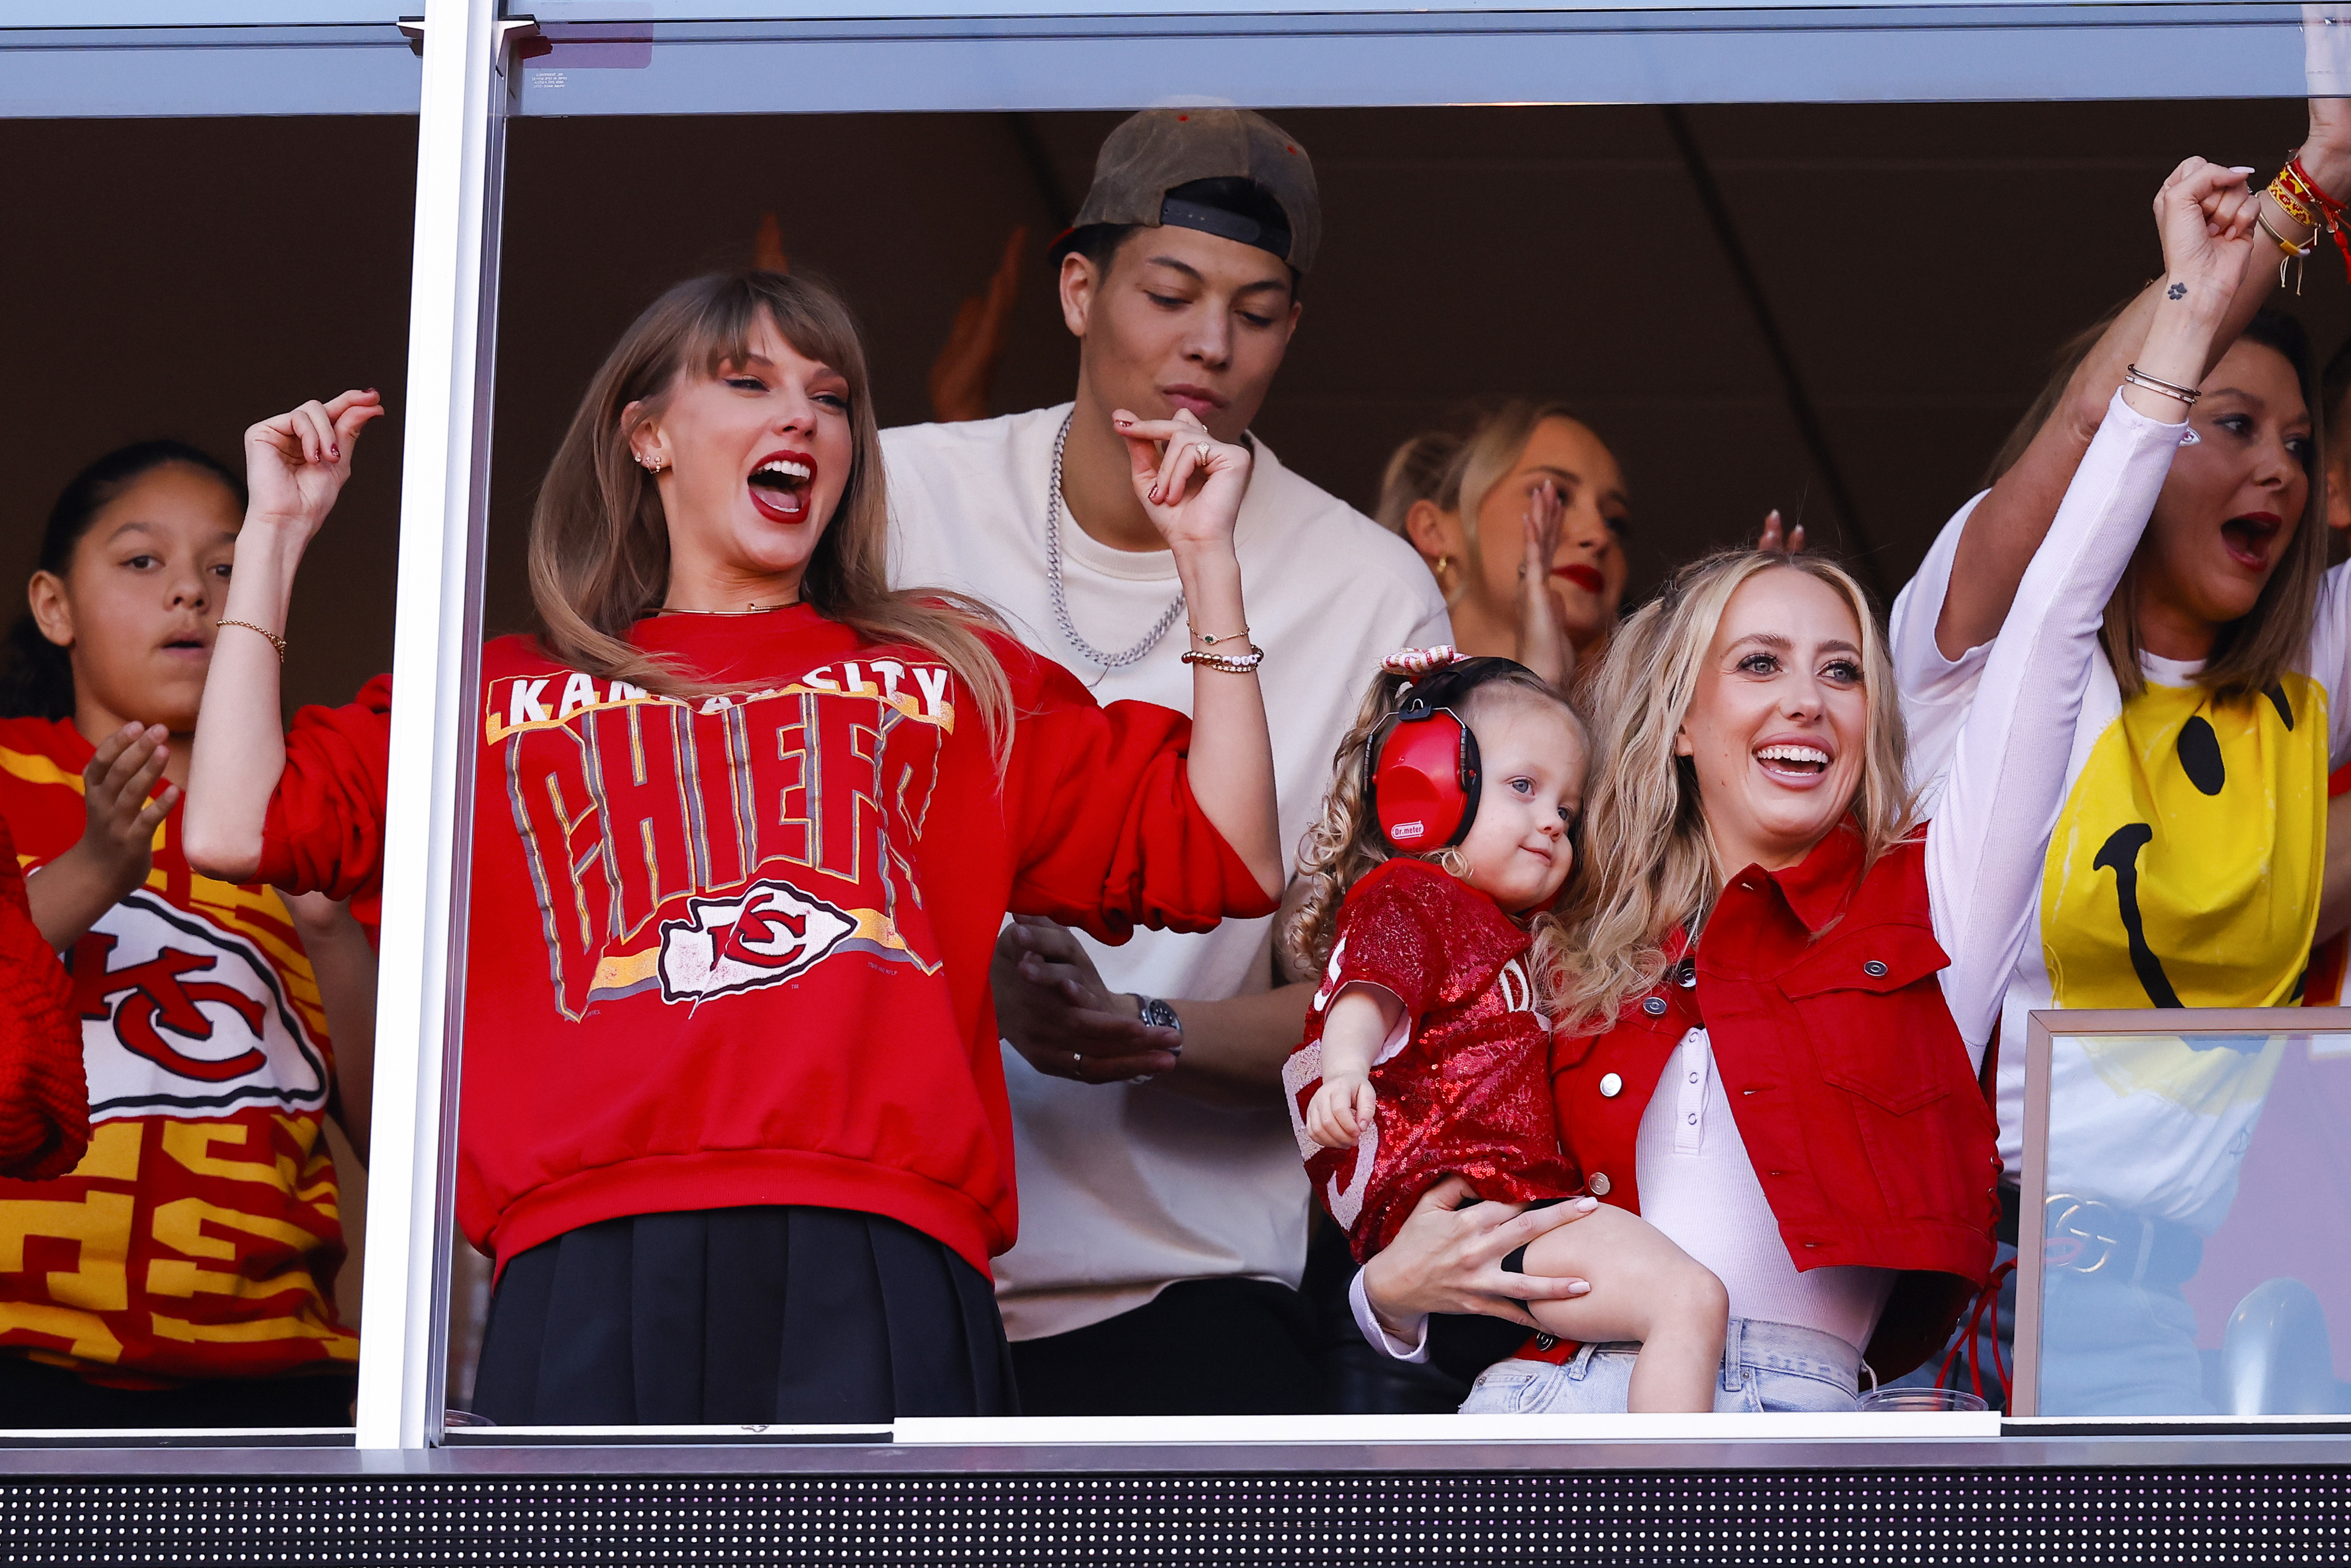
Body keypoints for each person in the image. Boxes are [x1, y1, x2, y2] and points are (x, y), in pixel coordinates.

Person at [180, 269, 1285, 1426]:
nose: (800, 415)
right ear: (646, 435)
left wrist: (1205, 559)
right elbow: (233, 822)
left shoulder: (947, 676)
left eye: (829, 394)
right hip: (586, 1250)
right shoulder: (498, 691)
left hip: (886, 1243)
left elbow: (1224, 851)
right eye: (748, 382)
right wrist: (276, 533)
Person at [1349, 155, 2260, 1413]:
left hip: (1799, 1433)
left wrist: (2185, 315)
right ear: (1678, 721)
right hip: (1547, 1412)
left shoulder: (1927, 908)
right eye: (1760, 663)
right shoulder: (1569, 939)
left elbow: (2052, 618)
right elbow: (1422, 1173)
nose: (1805, 699)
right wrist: (1381, 1299)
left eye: (1840, 671)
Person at [882, 108, 1448, 1415]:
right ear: (1078, 290)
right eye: (1170, 291)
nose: (1209, 341)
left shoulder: (1372, 591)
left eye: (1256, 309)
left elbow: (1385, 995)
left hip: (1183, 1286)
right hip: (893, 1254)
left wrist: (1138, 1027)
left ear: (1291, 330)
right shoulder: (901, 498)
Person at [1889, 148, 2351, 1416]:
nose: (2277, 468)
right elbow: (2096, 420)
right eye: (2233, 425)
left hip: (2150, 1311)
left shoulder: (2305, 671)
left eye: (2299, 445)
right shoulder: (1977, 654)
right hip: (1938, 1276)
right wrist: (2295, 197)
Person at [0, 440, 374, 1428]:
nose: (191, 597)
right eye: (141, 562)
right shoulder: (6, 778)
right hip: (26, 1357)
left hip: (276, 1378)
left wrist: (330, 931)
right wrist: (90, 874)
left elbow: (409, 1146)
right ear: (54, 606)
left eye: (224, 566)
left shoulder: (319, 811)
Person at [1284, 649, 1727, 1411]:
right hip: (1480, 1223)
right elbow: (1366, 990)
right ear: (1429, 782)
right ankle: (1672, 1519)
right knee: (1688, 1299)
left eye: (1568, 810)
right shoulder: (1414, 893)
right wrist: (1347, 1069)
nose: (1552, 821)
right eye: (1524, 788)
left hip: (1495, 1231)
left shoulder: (1507, 927)